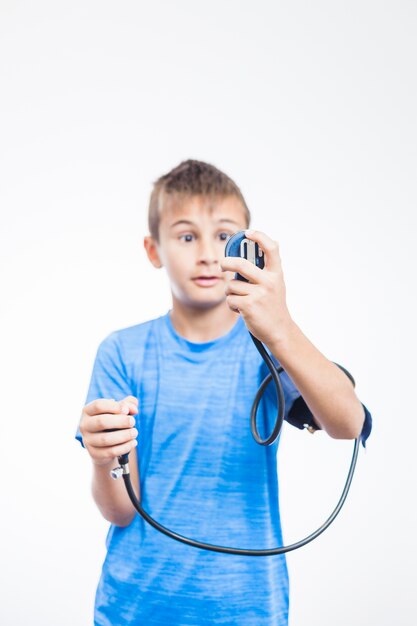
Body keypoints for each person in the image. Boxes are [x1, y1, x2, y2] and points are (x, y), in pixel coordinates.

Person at [76, 159, 371, 626]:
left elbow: (348, 424)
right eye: (187, 236)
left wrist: (280, 327)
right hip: (137, 607)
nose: (208, 254)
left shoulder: (272, 349)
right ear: (154, 250)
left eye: (224, 236)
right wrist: (100, 457)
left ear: (249, 249)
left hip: (246, 609)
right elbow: (120, 512)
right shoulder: (122, 352)